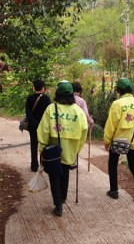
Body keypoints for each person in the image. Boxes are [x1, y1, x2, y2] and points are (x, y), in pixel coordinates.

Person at [37, 81, 88, 217]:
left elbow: (43, 131)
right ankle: (63, 197)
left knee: (54, 176)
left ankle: (58, 204)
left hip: (53, 150)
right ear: (72, 94)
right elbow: (84, 130)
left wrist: (41, 148)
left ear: (57, 94)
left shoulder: (51, 109)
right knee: (65, 172)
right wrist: (78, 148)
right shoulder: (78, 110)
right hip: (70, 150)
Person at [104, 78, 134, 204]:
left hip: (118, 139)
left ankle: (114, 191)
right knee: (133, 165)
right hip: (133, 139)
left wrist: (107, 140)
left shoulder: (117, 104)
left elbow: (111, 124)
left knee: (113, 163)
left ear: (119, 90)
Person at [25, 79, 51, 172]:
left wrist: (35, 124)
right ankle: (44, 164)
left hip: (33, 126)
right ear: (43, 88)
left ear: (33, 87)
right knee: (45, 145)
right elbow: (49, 113)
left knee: (34, 145)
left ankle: (34, 166)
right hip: (44, 126)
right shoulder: (46, 99)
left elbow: (28, 114)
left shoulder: (29, 98)